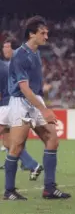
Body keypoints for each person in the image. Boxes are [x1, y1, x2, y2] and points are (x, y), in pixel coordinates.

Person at [4, 16, 71, 200]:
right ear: (31, 34)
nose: (46, 36)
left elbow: (32, 87)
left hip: (34, 100)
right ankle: (9, 191)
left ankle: (49, 188)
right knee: (16, 146)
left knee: (52, 139)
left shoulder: (36, 52)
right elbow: (24, 88)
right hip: (21, 102)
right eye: (43, 33)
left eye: (47, 32)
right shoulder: (20, 55)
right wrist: (44, 110)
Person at [0, 38, 43, 181]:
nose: (5, 50)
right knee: (8, 142)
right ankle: (32, 165)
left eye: (7, 48)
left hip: (7, 105)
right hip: (11, 104)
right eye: (4, 47)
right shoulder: (11, 64)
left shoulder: (6, 65)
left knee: (12, 141)